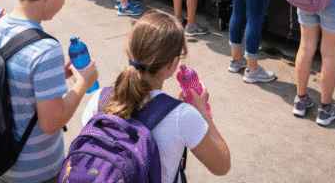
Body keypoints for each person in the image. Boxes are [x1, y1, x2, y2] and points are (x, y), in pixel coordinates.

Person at [0, 0, 98, 183]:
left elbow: (10, 80)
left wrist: (56, 76)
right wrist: (83, 84)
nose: (63, 2)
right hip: (34, 170)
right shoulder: (45, 50)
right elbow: (51, 123)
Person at [81, 11, 230, 183]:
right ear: (172, 64)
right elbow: (222, 166)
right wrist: (202, 111)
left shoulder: (100, 98)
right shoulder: (183, 117)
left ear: (128, 51)